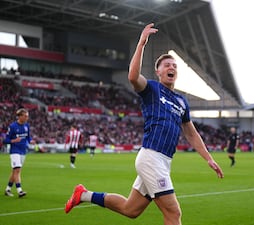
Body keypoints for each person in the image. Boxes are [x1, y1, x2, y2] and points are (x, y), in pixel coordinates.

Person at [64, 23, 224, 225]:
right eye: (166, 65)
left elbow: (191, 134)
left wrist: (208, 158)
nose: (171, 67)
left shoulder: (182, 102)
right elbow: (132, 76)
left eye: (174, 65)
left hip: (164, 162)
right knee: (173, 214)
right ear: (158, 72)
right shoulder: (152, 89)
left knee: (130, 209)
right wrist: (141, 43)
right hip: (151, 158)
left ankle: (83, 195)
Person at [3, 108, 35, 197]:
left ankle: (8, 189)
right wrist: (14, 140)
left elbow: (28, 137)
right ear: (20, 116)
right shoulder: (13, 126)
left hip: (23, 151)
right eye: (25, 116)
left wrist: (31, 141)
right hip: (15, 151)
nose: (27, 118)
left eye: (27, 116)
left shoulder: (27, 126)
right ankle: (19, 190)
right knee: (17, 170)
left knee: (15, 171)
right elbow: (5, 140)